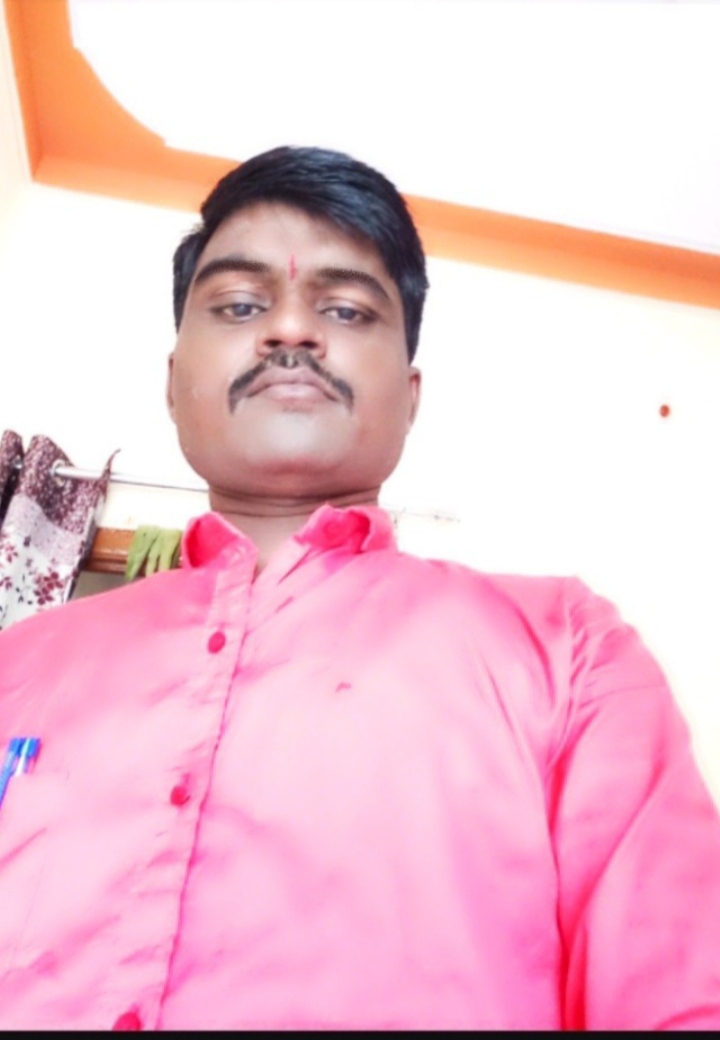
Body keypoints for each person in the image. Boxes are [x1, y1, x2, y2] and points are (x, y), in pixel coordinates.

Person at [1, 146, 719, 1031]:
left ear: (410, 398)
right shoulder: (16, 665)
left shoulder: (568, 650)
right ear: (172, 384)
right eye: (239, 305)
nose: (289, 331)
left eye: (344, 309)